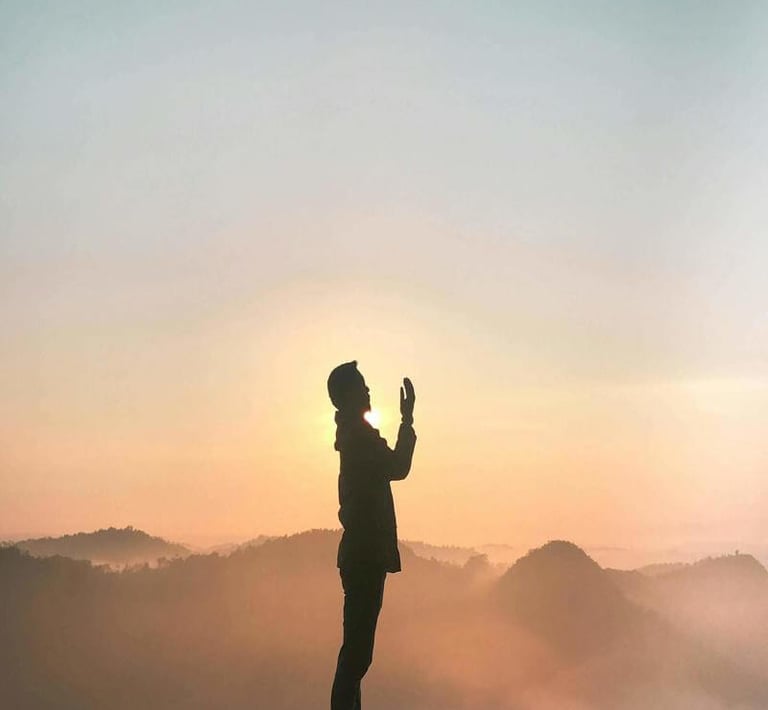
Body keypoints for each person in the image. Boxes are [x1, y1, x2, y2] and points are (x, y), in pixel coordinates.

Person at [327, 361, 417, 710]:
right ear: (348, 395)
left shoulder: (353, 435)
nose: (368, 391)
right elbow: (398, 467)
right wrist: (406, 421)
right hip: (365, 555)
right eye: (361, 386)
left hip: (360, 554)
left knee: (357, 653)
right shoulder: (359, 437)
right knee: (357, 655)